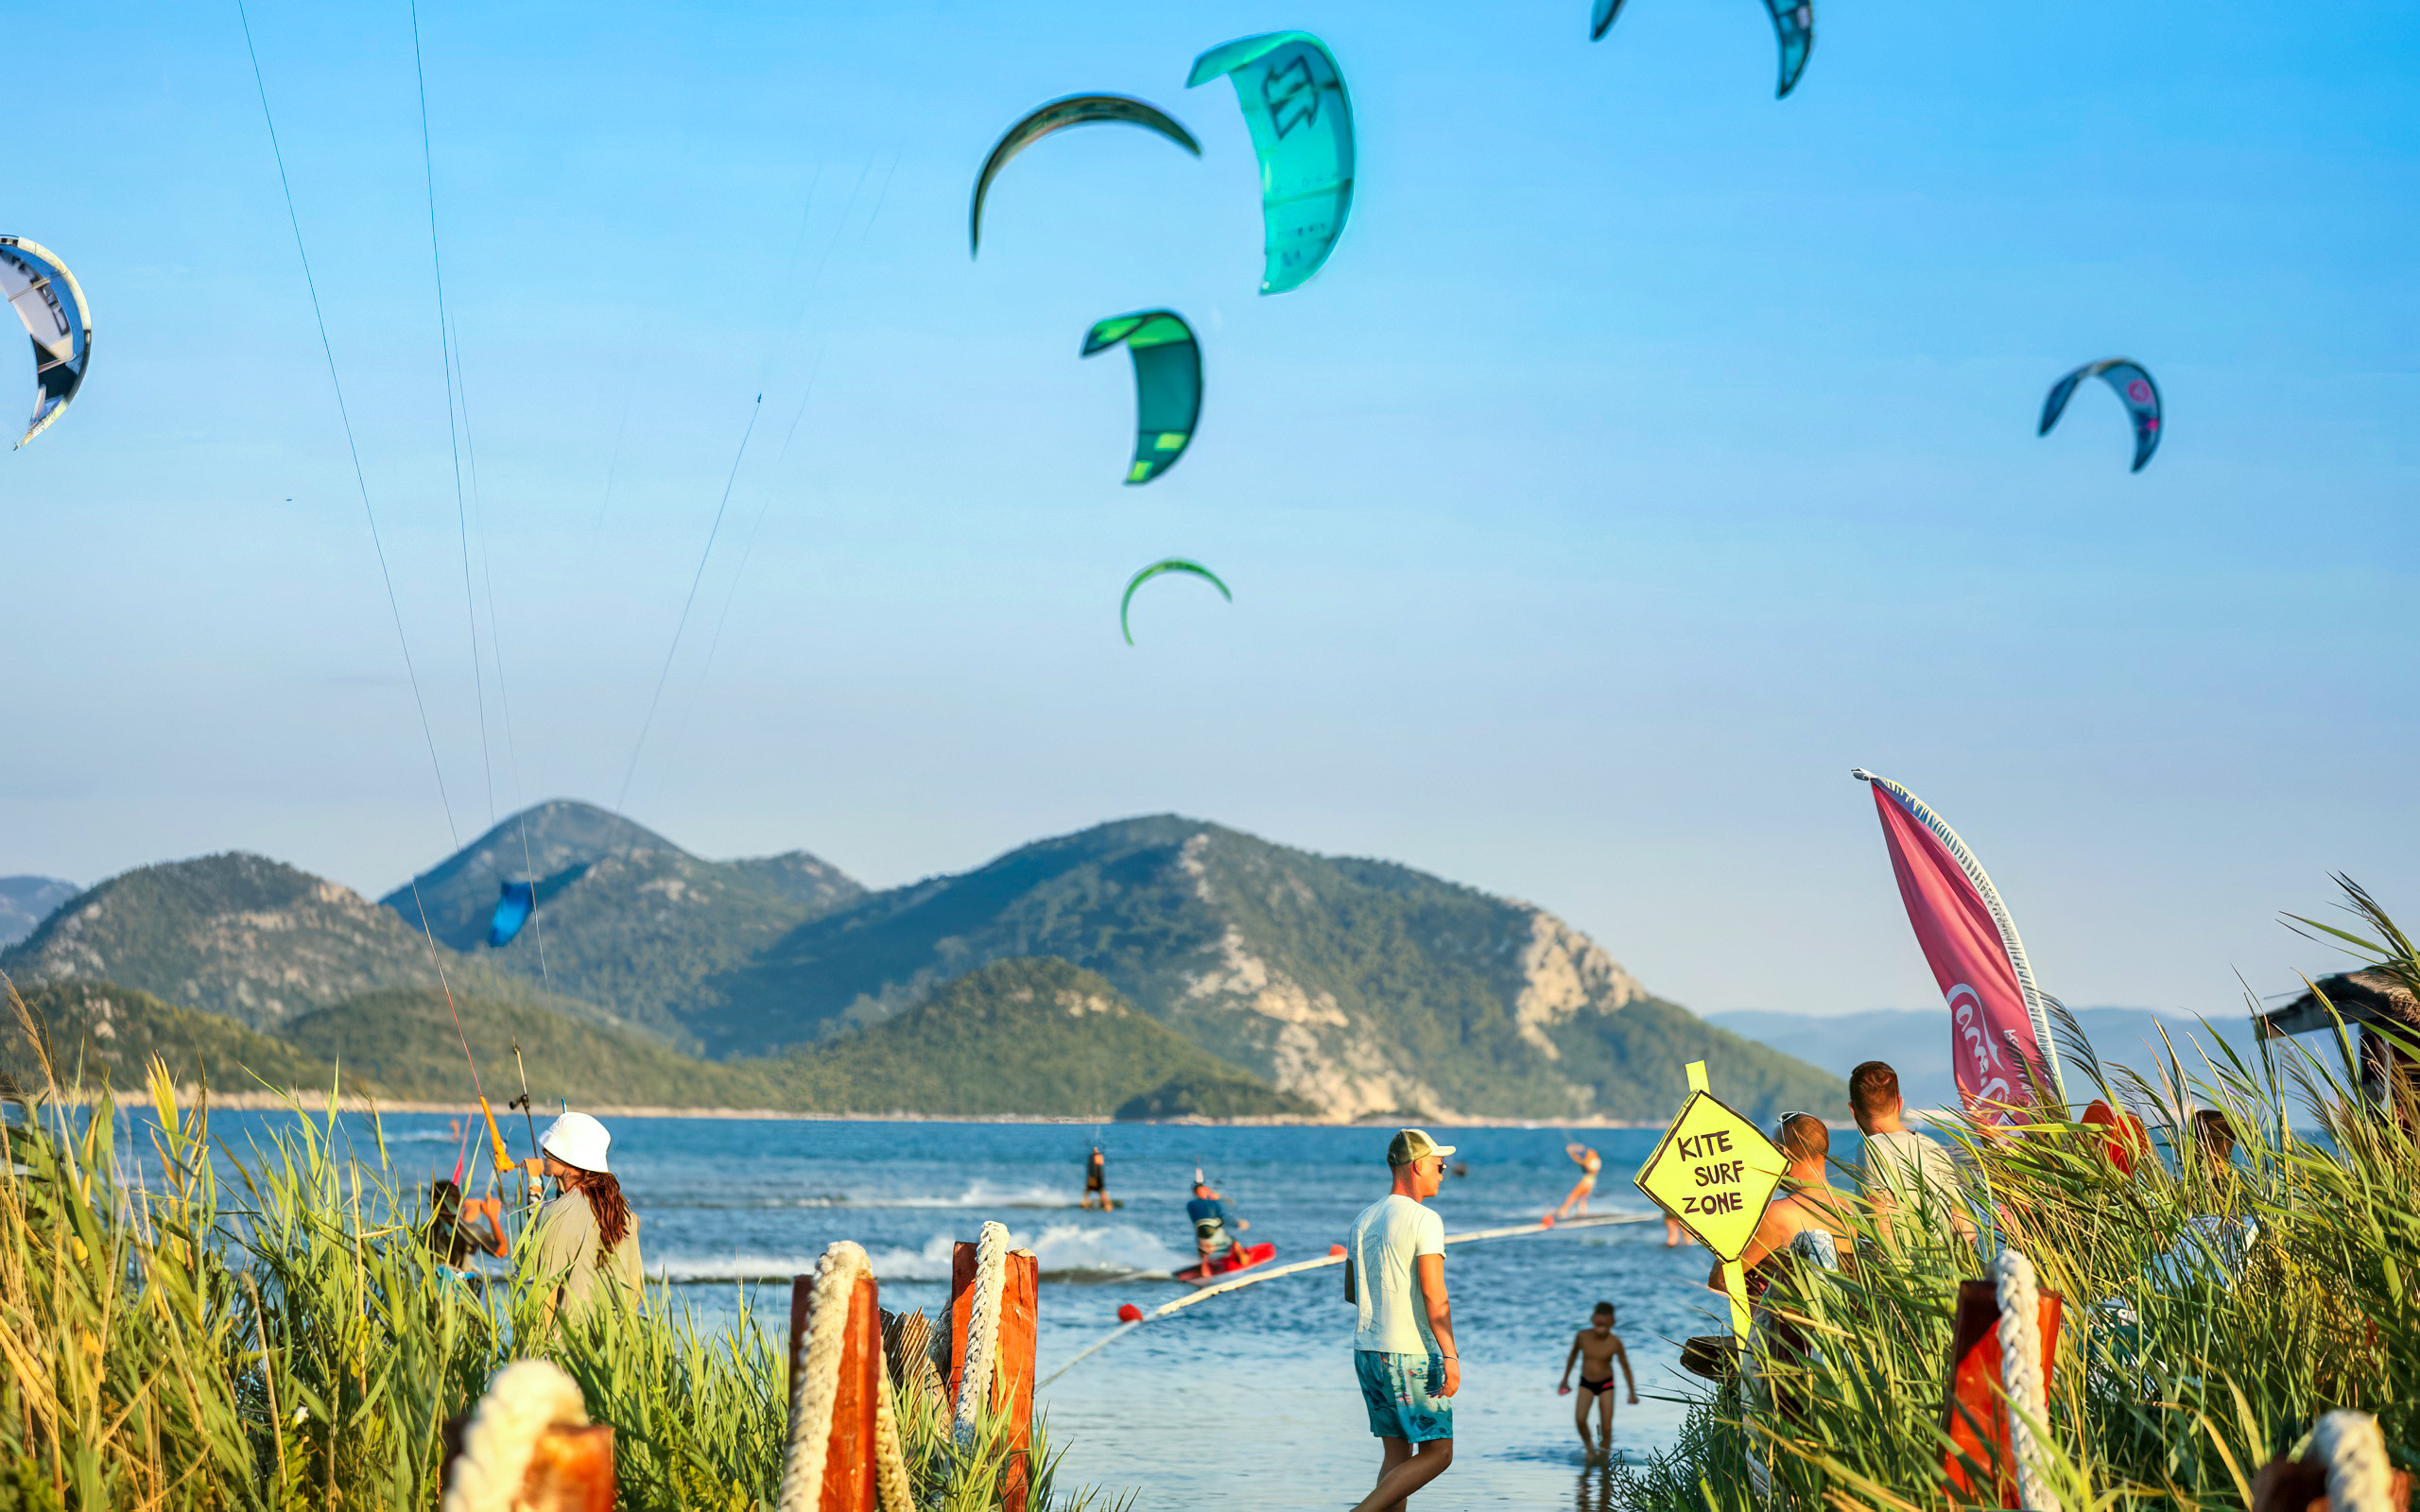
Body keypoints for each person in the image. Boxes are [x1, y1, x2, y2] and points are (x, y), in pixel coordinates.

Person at [1345, 1129, 1460, 1512]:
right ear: (1419, 1166)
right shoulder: (1425, 1219)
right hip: (1411, 1356)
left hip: (1368, 1351)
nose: (1443, 1173)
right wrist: (1451, 1356)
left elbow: (1352, 1293)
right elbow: (1434, 1295)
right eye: (1439, 1166)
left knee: (1397, 1458)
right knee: (1439, 1452)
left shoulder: (1363, 1219)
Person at [524, 1111, 642, 1330]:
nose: (544, 1151)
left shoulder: (554, 1213)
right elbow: (633, 1285)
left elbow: (543, 1287)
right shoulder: (624, 1213)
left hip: (566, 1342)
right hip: (610, 1338)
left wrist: (533, 1184)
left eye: (551, 1148)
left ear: (568, 1159)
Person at [1719, 1114, 1856, 1294]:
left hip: (1791, 1321)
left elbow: (1724, 1279)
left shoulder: (1778, 1214)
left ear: (1784, 1153)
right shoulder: (1851, 1210)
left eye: (1774, 1150)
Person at [1847, 1061, 1977, 1246]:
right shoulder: (1931, 1146)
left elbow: (1881, 1213)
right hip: (1949, 1263)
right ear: (1900, 1102)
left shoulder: (1871, 1147)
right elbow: (1964, 1224)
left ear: (1853, 1110)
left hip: (1912, 1266)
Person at [1557, 1301, 1637, 1460]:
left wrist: (1632, 1392)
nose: (1601, 1327)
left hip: (1606, 1385)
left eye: (1605, 1324)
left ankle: (1604, 1457)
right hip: (1586, 1383)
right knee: (1580, 1420)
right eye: (1599, 1323)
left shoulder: (1615, 1342)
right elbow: (1572, 1357)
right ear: (1593, 1319)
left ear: (1612, 1322)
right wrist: (1565, 1380)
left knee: (1606, 1427)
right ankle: (1590, 1449)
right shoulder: (1582, 1337)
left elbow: (1625, 1366)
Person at [424, 1177, 509, 1273]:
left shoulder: (426, 1229)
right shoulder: (466, 1229)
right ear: (457, 1201)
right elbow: (501, 1251)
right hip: (460, 1283)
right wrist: (492, 1217)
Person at [1186, 1178, 1250, 1272]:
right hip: (1210, 1234)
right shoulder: (1204, 1203)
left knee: (1206, 1251)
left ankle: (1205, 1267)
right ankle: (1243, 1260)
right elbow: (1220, 1217)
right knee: (1233, 1244)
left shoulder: (1193, 1204)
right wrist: (1238, 1224)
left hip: (1204, 1236)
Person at [1547, 1142, 1601, 1222]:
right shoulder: (1592, 1159)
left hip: (1588, 1181)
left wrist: (1579, 1156)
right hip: (1590, 1181)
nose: (1588, 1154)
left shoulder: (1595, 1161)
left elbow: (1588, 1167)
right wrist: (1572, 1153)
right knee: (1583, 1197)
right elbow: (1580, 1162)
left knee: (1573, 1195)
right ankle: (1582, 1212)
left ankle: (1563, 1211)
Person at [1081, 1145, 1110, 1210]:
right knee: (1090, 1191)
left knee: (1098, 1191)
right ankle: (1084, 1203)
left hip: (1096, 1178)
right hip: (1095, 1178)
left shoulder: (1096, 1157)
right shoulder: (1094, 1157)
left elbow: (1098, 1168)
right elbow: (1094, 1168)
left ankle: (1106, 1205)